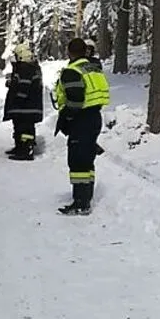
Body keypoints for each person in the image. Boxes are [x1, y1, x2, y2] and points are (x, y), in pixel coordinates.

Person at [53, 37, 111, 215]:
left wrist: (67, 119)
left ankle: (81, 202)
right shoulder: (93, 68)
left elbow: (76, 100)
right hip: (94, 117)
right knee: (86, 159)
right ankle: (85, 197)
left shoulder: (72, 71)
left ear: (69, 52)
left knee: (77, 161)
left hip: (81, 118)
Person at [3, 43, 43, 160]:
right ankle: (20, 147)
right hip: (26, 107)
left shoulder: (26, 68)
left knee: (25, 128)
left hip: (26, 106)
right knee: (19, 126)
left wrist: (17, 99)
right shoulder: (28, 67)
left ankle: (26, 150)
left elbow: (24, 86)